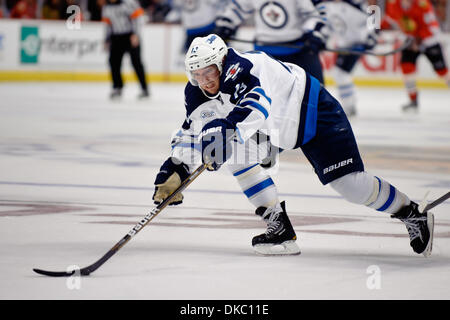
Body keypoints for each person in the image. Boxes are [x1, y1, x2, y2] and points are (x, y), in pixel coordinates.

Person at [152, 34, 435, 257]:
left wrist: (227, 130)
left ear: (223, 61)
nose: (205, 81)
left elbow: (257, 105)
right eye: (197, 74)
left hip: (311, 109)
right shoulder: (196, 91)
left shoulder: (244, 68)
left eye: (209, 71)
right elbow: (193, 129)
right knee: (236, 155)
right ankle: (279, 228)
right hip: (275, 129)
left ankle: (412, 213)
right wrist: (177, 166)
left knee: (350, 185)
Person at [212, 0, 329, 85]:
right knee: (270, 101)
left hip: (299, 52)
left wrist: (315, 34)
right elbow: (237, 9)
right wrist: (225, 25)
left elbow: (316, 14)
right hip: (265, 55)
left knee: (315, 95)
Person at [313, 0, 379, 117]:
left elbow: (374, 13)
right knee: (340, 73)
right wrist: (321, 39)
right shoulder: (328, 7)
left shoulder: (355, 4)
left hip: (357, 44)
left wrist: (371, 36)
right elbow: (327, 26)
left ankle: (349, 105)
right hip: (344, 46)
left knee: (340, 72)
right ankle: (350, 104)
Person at [382, 0, 450, 112]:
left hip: (429, 40)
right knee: (407, 68)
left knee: (442, 71)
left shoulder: (422, 4)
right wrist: (376, 29)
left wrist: (419, 40)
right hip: (410, 41)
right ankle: (413, 101)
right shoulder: (394, 3)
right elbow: (389, 19)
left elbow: (431, 25)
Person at [101, 0, 150, 100]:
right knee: (113, 62)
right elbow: (107, 24)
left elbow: (138, 18)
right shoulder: (106, 7)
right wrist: (106, 39)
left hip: (130, 36)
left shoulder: (129, 3)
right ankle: (117, 87)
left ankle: (144, 88)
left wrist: (136, 34)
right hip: (116, 37)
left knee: (136, 62)